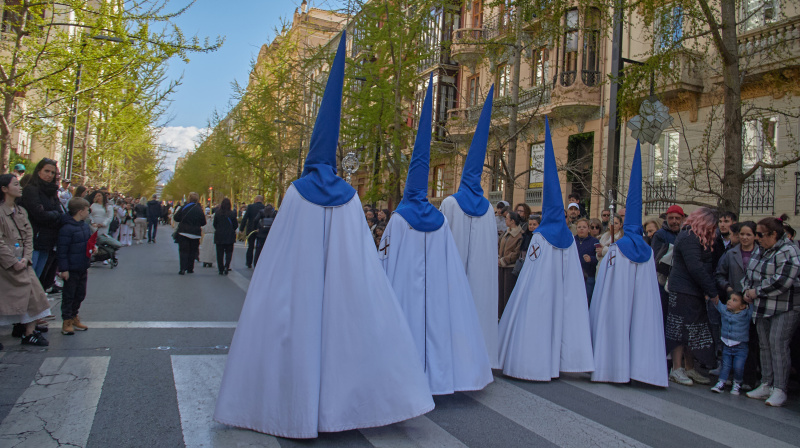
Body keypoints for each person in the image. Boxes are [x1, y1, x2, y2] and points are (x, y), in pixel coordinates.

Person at [215, 34, 434, 438]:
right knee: (343, 335)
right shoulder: (349, 197)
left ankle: (292, 408)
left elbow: (280, 253)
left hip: (297, 288)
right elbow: (360, 258)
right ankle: (344, 406)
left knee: (295, 332)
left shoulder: (296, 193)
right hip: (343, 290)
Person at [379, 75, 492, 395]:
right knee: (439, 324)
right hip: (442, 294)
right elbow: (451, 264)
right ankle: (445, 375)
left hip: (404, 294)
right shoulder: (441, 220)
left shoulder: (400, 219)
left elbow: (383, 262)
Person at [497, 117, 594, 382]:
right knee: (563, 313)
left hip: (540, 292)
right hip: (563, 291)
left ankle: (533, 359)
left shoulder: (540, 236)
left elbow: (532, 270)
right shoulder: (567, 237)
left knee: (537, 313)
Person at [589, 142, 667, 387]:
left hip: (616, 301)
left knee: (617, 322)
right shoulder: (646, 250)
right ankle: (642, 369)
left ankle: (614, 366)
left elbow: (605, 282)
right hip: (639, 302)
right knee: (642, 320)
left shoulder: (618, 247)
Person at [438, 89, 499, 368]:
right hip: (481, 279)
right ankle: (480, 359)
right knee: (479, 305)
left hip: (453, 275)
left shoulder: (450, 203)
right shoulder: (488, 209)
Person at [742, 215, 800, 407]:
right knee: (765, 345)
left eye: (760, 234)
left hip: (784, 307)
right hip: (762, 306)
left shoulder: (789, 251)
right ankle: (766, 383)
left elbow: (782, 281)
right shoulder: (761, 249)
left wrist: (756, 291)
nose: (757, 238)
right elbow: (750, 272)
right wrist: (746, 290)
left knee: (778, 345)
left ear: (774, 234)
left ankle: (780, 388)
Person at [665, 207, 719, 386]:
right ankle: (677, 368)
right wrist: (712, 291)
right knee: (679, 331)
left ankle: (689, 367)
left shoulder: (692, 236)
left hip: (692, 290)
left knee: (692, 330)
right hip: (683, 291)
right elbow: (696, 267)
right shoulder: (689, 237)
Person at [0, 174, 50, 347]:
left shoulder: (21, 211)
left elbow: (29, 237)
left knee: (35, 295)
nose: (20, 187)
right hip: (5, 264)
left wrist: (26, 258)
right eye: (15, 184)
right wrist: (12, 261)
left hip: (22, 261)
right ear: (4, 189)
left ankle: (29, 332)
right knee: (4, 299)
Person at [715, 221, 761, 388]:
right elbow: (719, 274)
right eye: (742, 234)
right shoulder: (731, 253)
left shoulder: (761, 253)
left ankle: (749, 378)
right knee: (731, 339)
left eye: (748, 234)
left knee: (751, 340)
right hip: (735, 302)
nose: (744, 237)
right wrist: (728, 288)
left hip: (754, 302)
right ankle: (728, 375)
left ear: (755, 236)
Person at [19, 158, 64, 290]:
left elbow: (60, 213)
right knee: (28, 279)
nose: (49, 175)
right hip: (33, 240)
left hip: (47, 241)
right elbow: (39, 214)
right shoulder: (31, 190)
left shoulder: (52, 192)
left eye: (52, 173)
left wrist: (52, 215)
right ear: (39, 171)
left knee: (37, 280)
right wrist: (54, 215)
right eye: (46, 171)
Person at [57, 197, 93, 335]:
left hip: (82, 265)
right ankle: (66, 320)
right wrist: (64, 269)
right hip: (71, 268)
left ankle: (74, 315)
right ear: (80, 211)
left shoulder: (84, 226)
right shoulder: (67, 229)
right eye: (87, 210)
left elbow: (87, 241)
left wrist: (93, 248)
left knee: (80, 294)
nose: (88, 212)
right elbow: (62, 250)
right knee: (69, 295)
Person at [709, 292, 753, 395]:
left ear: (742, 306)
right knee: (725, 365)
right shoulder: (725, 310)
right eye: (729, 299)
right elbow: (717, 303)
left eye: (734, 300)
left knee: (738, 367)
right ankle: (721, 382)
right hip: (726, 345)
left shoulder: (746, 314)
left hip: (740, 346)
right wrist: (712, 296)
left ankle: (737, 383)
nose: (729, 301)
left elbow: (752, 309)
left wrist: (750, 300)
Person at [173, 192, 206, 275]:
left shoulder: (184, 207)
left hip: (184, 232)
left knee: (183, 251)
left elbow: (176, 217)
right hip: (195, 233)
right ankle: (190, 268)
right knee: (192, 251)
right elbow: (203, 222)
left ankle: (182, 268)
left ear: (189, 198)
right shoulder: (199, 209)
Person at [498, 211, 523, 318]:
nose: (505, 220)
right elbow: (499, 245)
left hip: (510, 268)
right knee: (501, 293)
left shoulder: (519, 235)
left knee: (508, 292)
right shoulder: (506, 232)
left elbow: (516, 252)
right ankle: (500, 315)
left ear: (512, 221)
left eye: (507, 218)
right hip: (501, 266)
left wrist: (505, 260)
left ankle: (508, 316)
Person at [574, 218, 599, 305]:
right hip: (574, 276)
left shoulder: (595, 242)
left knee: (587, 301)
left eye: (584, 227)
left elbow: (599, 259)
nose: (581, 229)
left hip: (589, 276)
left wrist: (591, 259)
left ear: (588, 229)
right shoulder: (572, 241)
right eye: (579, 227)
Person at [239, 195, 265, 268]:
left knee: (250, 246)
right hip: (260, 229)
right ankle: (257, 262)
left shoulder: (250, 207)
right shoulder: (264, 208)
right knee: (259, 247)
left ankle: (249, 262)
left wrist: (241, 229)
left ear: (256, 199)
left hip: (251, 229)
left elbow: (245, 218)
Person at [213, 198, 238, 275]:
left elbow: (214, 224)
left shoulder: (218, 213)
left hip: (219, 236)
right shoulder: (232, 214)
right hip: (229, 236)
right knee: (229, 252)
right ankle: (227, 266)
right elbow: (235, 225)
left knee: (219, 253)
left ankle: (220, 268)